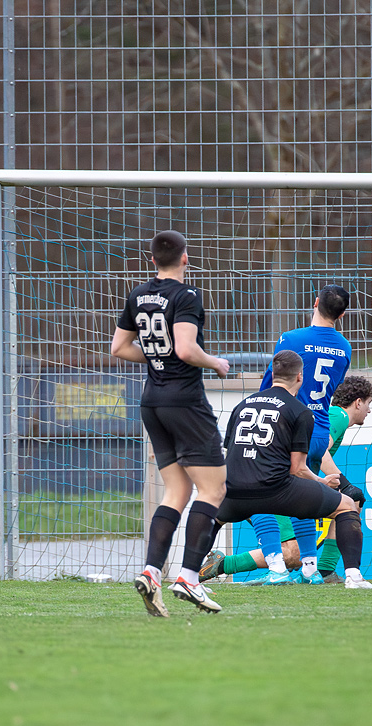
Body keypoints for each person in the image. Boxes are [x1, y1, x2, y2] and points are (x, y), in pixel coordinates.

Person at [112, 230, 229, 616]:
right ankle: (189, 577)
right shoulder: (187, 295)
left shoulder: (137, 295)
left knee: (176, 491)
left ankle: (151, 572)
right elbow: (186, 349)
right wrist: (215, 362)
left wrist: (156, 359)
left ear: (152, 260)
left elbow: (119, 347)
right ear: (185, 257)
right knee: (214, 489)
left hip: (152, 402)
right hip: (184, 401)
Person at [207, 350, 363, 592]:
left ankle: (188, 577)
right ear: (300, 377)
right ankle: (351, 576)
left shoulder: (241, 405)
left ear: (271, 374)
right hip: (275, 490)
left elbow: (232, 455)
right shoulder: (302, 411)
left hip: (234, 490)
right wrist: (322, 482)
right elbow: (298, 468)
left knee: (207, 517)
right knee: (346, 505)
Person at [249, 285, 353, 584]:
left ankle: (276, 569)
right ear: (342, 315)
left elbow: (273, 385)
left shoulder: (291, 339)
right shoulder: (344, 347)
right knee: (301, 500)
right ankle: (310, 569)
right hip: (319, 430)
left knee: (255, 493)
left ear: (316, 302)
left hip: (287, 427)